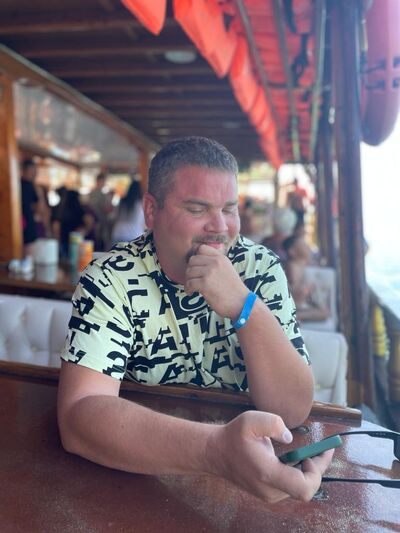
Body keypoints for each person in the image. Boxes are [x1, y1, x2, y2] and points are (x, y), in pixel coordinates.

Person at [58, 137, 333, 503]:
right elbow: (79, 415)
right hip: (135, 483)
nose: (220, 228)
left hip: (249, 487)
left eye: (229, 209)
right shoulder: (112, 278)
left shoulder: (261, 268)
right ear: (151, 210)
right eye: (197, 209)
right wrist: (215, 450)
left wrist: (245, 306)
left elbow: (292, 410)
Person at [283, 235, 329, 322]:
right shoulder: (293, 266)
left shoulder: (306, 265)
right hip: (295, 304)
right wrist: (306, 289)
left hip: (305, 302)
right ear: (292, 252)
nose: (307, 247)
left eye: (306, 245)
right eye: (303, 245)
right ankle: (293, 317)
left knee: (324, 311)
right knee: (324, 313)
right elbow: (295, 292)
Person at [110, 179, 145, 246]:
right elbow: (143, 222)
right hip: (134, 236)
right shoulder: (140, 204)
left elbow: (114, 217)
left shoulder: (122, 202)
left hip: (118, 234)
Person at [87, 172, 114, 250]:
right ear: (99, 181)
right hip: (99, 222)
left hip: (95, 222)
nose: (104, 183)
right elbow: (105, 208)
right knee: (100, 243)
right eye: (103, 181)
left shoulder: (92, 193)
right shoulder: (100, 194)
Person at [20, 159, 39, 256]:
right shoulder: (18, 184)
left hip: (27, 220)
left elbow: (36, 204)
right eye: (32, 171)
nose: (34, 174)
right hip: (23, 220)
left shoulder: (31, 185)